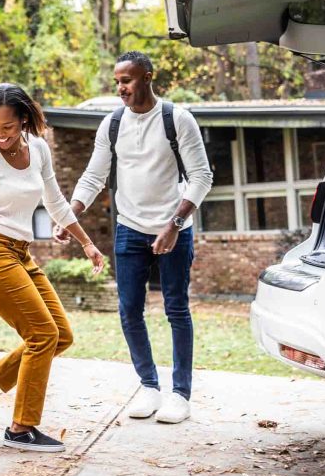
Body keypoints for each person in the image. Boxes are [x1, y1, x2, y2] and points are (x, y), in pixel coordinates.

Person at [0, 83, 105, 453]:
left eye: (8, 128)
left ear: (24, 120)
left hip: (19, 253)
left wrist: (87, 242)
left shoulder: (40, 149)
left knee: (60, 334)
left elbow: (56, 201)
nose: (0, 135)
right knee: (42, 335)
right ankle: (20, 428)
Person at [55, 51, 213, 424]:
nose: (121, 88)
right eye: (117, 82)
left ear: (147, 77)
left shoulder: (177, 119)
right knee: (129, 311)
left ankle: (180, 394)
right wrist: (69, 213)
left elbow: (202, 177)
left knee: (176, 308)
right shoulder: (112, 125)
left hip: (174, 228)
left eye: (126, 80)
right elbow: (93, 177)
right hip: (129, 229)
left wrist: (174, 224)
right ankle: (149, 386)